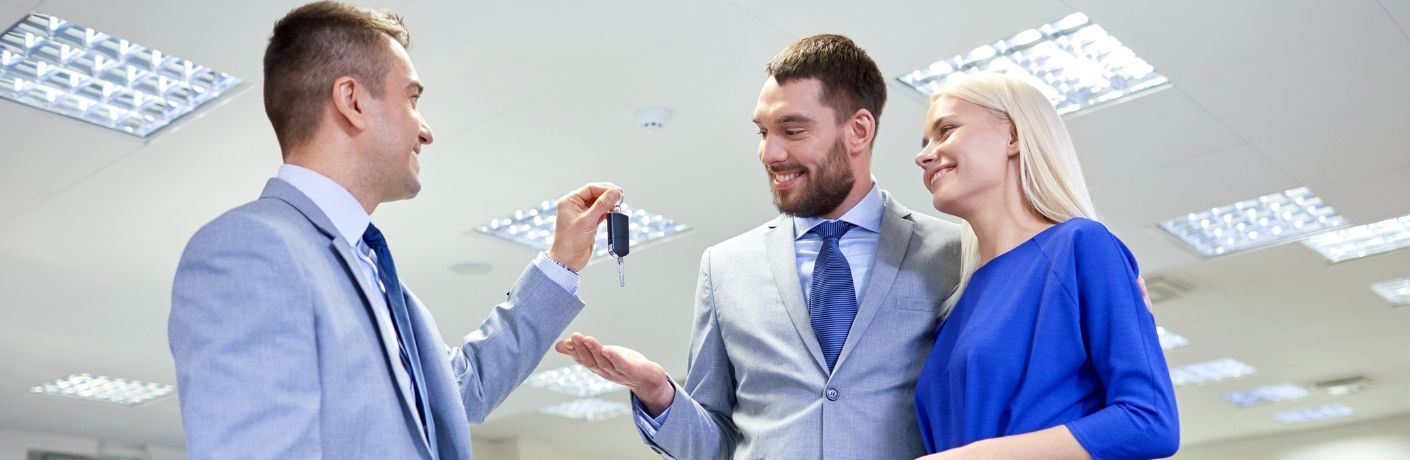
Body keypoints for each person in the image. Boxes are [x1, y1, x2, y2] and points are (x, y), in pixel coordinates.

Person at [167, 2, 621, 458]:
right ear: (352, 101)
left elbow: (467, 386)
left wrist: (562, 262)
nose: (426, 131)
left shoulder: (382, 282)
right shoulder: (249, 251)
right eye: (411, 99)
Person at [555, 34, 962, 459]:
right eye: (763, 132)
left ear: (858, 130)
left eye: (792, 130)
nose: (769, 152)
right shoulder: (725, 267)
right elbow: (715, 442)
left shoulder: (952, 254)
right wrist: (658, 392)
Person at [911, 73, 1179, 459]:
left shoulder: (1081, 246)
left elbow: (1150, 420)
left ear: (1013, 136)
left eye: (946, 130)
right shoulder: (956, 304)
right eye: (925, 143)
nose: (923, 156)